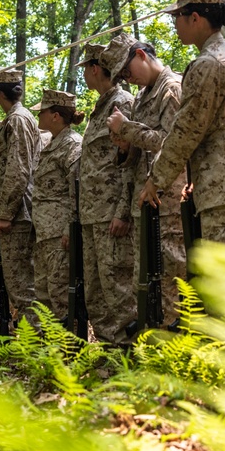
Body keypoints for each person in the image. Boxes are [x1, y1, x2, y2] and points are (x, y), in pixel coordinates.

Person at [138, 0, 225, 250]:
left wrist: (155, 180)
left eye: (177, 17)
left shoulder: (210, 64)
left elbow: (185, 132)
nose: (174, 24)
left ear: (195, 18)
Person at [106, 39, 188, 314]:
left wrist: (127, 129)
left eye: (127, 72)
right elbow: (138, 155)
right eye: (122, 78)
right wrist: (125, 145)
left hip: (169, 202)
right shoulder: (142, 96)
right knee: (146, 282)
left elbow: (172, 141)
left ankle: (177, 349)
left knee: (171, 281)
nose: (128, 80)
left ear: (141, 55)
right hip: (144, 202)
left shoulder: (172, 88)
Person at [79, 36, 136, 343]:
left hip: (111, 213)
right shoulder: (98, 108)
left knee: (117, 283)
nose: (83, 74)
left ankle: (126, 347)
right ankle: (106, 346)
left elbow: (130, 161)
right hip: (91, 214)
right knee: (95, 287)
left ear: (96, 68)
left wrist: (122, 210)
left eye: (86, 67)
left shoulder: (122, 103)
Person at [0, 66, 41, 324]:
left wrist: (6, 214)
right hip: (18, 212)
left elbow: (18, 170)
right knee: (20, 283)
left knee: (21, 284)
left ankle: (36, 344)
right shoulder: (17, 118)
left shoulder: (17, 120)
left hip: (18, 215)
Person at [31, 90, 83, 320]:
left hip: (59, 233)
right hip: (44, 232)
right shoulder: (51, 144)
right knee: (43, 292)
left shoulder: (72, 145)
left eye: (42, 112)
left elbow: (77, 190)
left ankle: (67, 349)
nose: (38, 116)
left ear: (56, 115)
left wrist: (69, 228)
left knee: (60, 292)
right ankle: (49, 347)